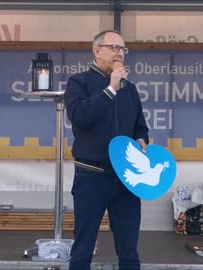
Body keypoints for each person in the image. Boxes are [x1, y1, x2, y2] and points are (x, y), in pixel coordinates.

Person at [64, 30, 149, 270]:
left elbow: (140, 126)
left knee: (129, 249)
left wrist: (142, 140)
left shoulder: (129, 89)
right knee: (83, 248)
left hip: (127, 176)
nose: (119, 53)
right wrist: (110, 89)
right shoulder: (79, 82)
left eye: (123, 49)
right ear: (97, 50)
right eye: (114, 47)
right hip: (92, 174)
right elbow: (79, 117)